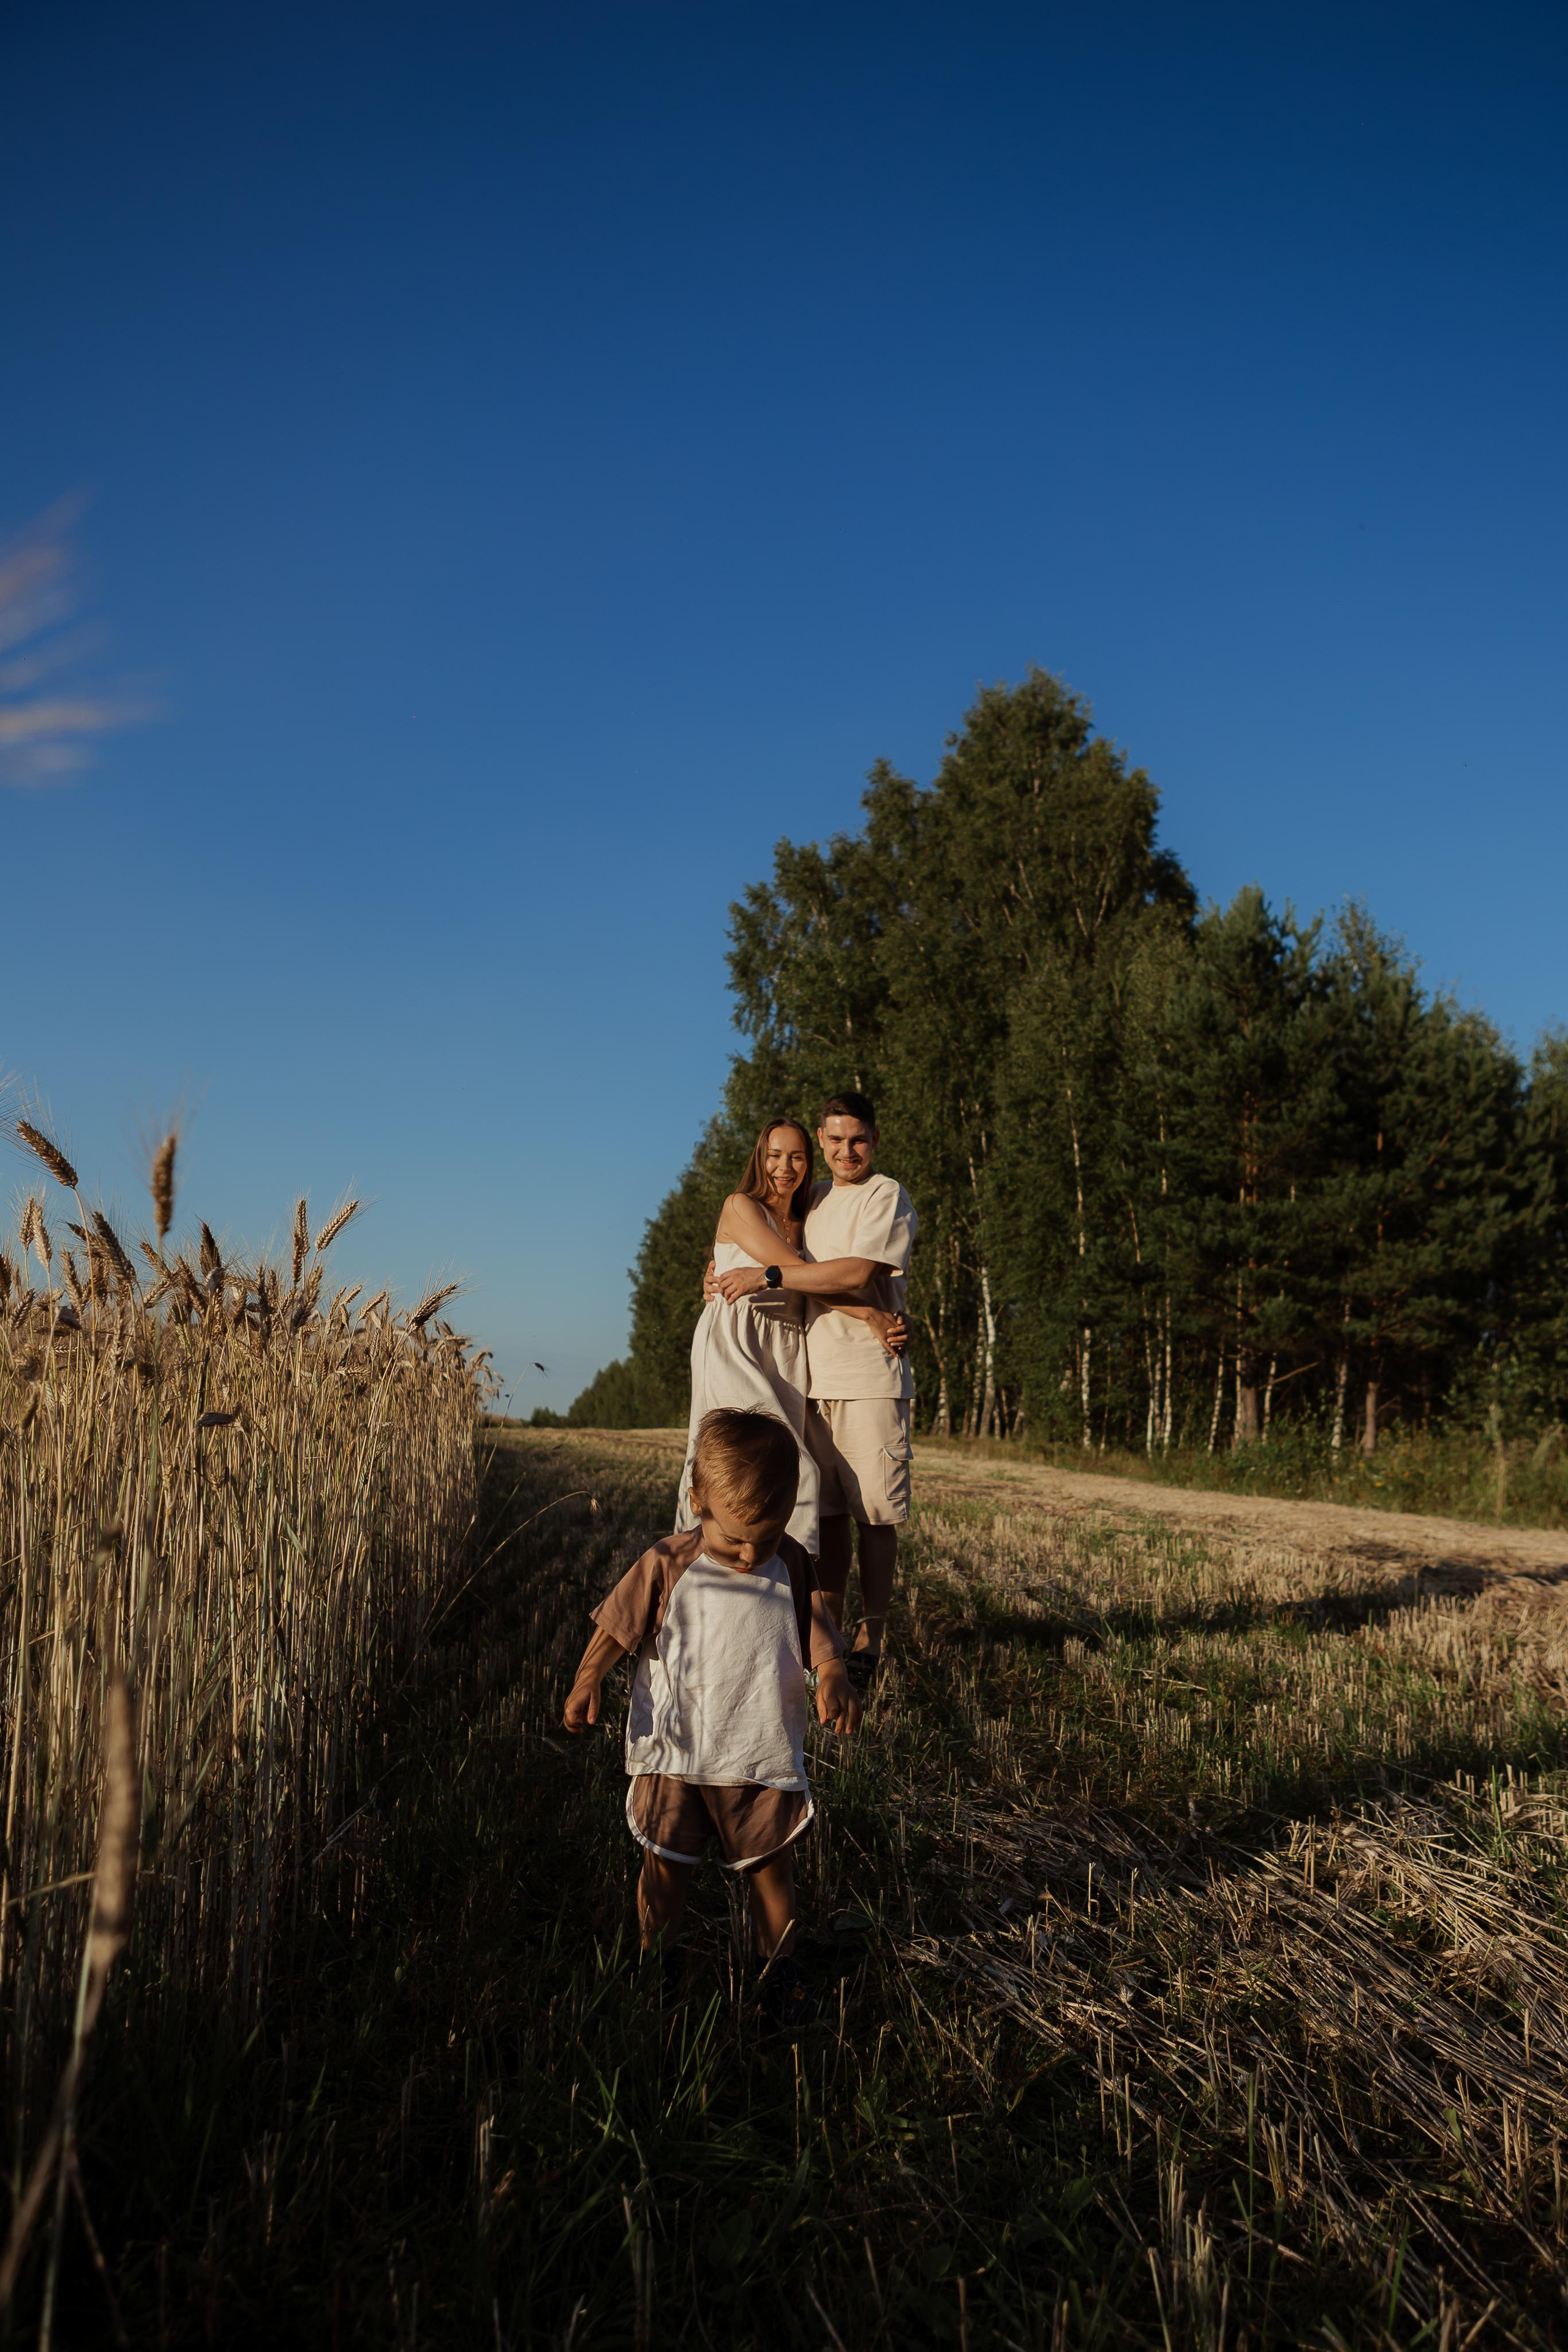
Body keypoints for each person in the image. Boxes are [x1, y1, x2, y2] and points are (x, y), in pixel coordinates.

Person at [563, 1408, 859, 2024]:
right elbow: (618, 1627)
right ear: (696, 1502)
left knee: (773, 1876)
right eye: (734, 1539)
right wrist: (589, 1677)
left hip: (759, 1755)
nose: (751, 1554)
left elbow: (819, 1634)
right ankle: (657, 1968)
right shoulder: (669, 1563)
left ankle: (778, 1972)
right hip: (675, 1757)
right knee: (663, 1875)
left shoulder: (794, 1563)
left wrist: (831, 1673)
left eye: (768, 1536)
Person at [713, 1091, 916, 1691]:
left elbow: (855, 1273)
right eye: (833, 1141)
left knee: (875, 1514)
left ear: (873, 1141)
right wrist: (723, 1271)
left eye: (856, 1140)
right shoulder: (813, 1200)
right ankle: (824, 1629)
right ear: (821, 1145)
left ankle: (869, 1638)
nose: (844, 1151)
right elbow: (765, 1248)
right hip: (807, 1378)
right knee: (824, 1517)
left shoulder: (886, 1196)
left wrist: (769, 1274)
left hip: (868, 1376)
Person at [677, 1117, 906, 1556]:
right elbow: (793, 1274)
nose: (785, 1166)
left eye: (797, 1156)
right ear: (759, 1157)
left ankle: (782, 1590)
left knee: (775, 1475)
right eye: (775, 1155)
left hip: (787, 1346)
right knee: (752, 1463)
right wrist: (870, 1316)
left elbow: (822, 1277)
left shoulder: (806, 1219)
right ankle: (703, 1567)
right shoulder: (741, 1205)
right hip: (737, 1340)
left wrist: (898, 1313)